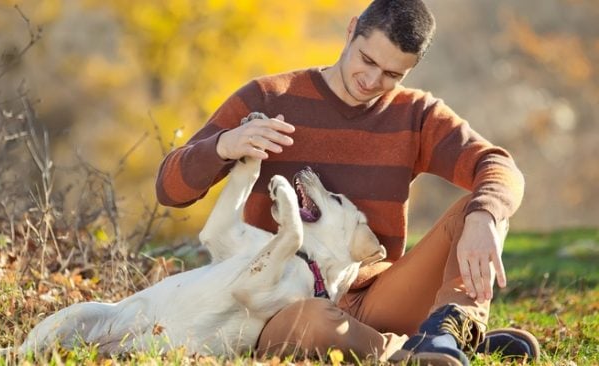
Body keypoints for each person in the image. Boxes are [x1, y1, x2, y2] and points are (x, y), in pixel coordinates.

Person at [155, 0, 540, 364]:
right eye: (367, 60)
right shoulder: (270, 98)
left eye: (392, 74)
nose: (372, 80)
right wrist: (223, 146)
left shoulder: (415, 115)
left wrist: (484, 217)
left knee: (484, 206)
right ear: (352, 30)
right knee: (320, 322)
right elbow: (169, 190)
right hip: (274, 304)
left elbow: (497, 164)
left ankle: (448, 332)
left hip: (375, 298)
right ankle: (407, 353)